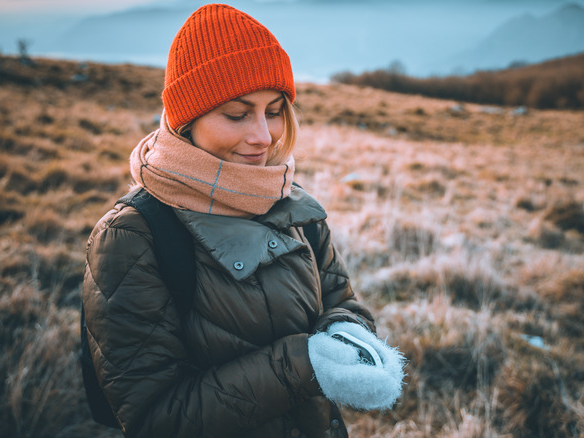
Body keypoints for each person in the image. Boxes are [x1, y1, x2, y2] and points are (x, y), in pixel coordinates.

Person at [82, 4, 406, 437]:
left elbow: (339, 299)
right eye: (237, 114)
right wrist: (303, 366)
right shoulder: (131, 237)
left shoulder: (288, 200)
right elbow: (152, 420)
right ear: (186, 120)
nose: (263, 135)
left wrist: (347, 334)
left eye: (273, 110)